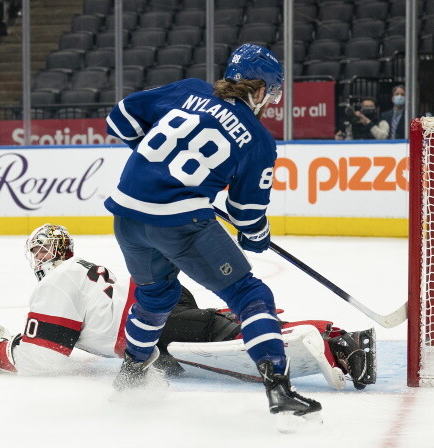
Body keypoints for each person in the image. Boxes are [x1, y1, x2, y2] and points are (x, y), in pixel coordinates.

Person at [103, 43, 323, 421]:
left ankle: (131, 374)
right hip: (179, 223)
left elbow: (119, 119)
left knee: (156, 297)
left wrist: (155, 163)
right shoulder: (258, 139)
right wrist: (257, 236)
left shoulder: (188, 89)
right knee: (249, 293)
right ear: (259, 90)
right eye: (270, 93)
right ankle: (279, 387)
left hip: (127, 216)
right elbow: (245, 215)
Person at [0, 223, 376, 392]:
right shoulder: (78, 269)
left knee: (223, 331)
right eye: (36, 248)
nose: (40, 254)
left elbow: (44, 358)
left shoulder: (54, 280)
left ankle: (340, 341)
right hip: (161, 297)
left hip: (152, 319)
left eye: (42, 248)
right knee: (207, 331)